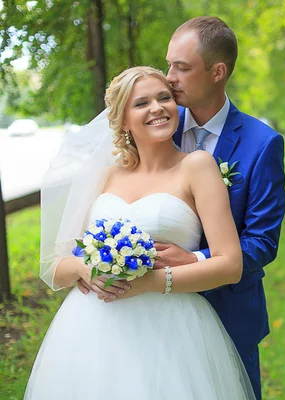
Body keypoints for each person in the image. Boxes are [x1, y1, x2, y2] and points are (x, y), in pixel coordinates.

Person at [78, 16, 285, 399]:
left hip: (227, 307)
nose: (169, 78)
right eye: (169, 64)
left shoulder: (261, 144)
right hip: (131, 314)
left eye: (182, 68)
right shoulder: (158, 118)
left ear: (217, 71)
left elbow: (262, 241)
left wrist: (193, 258)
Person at [25, 66, 256, 399]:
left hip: (172, 330)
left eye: (164, 98)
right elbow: (56, 267)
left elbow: (230, 264)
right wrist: (84, 268)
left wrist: (151, 282)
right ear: (122, 119)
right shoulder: (102, 177)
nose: (157, 108)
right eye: (142, 103)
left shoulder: (197, 166)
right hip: (90, 332)